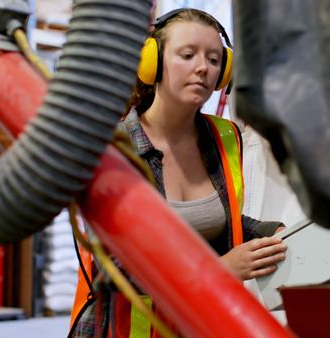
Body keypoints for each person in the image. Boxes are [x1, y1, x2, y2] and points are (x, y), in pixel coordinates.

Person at [69, 8, 287, 337]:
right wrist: (220, 269)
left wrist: (277, 234)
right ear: (152, 63)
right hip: (125, 328)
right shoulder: (112, 148)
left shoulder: (225, 137)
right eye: (187, 55)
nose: (203, 68)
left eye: (214, 60)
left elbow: (219, 218)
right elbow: (115, 266)